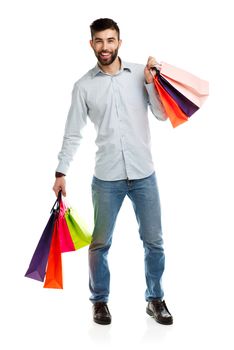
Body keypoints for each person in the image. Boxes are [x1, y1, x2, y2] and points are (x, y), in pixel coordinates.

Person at [53, 18, 173, 326]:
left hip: (144, 174)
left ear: (119, 41)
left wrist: (151, 81)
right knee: (100, 243)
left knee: (154, 241)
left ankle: (155, 299)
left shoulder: (139, 75)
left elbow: (161, 116)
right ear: (91, 44)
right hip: (107, 178)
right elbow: (73, 133)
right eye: (99, 41)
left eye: (110, 40)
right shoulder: (83, 86)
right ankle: (100, 301)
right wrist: (61, 171)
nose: (105, 47)